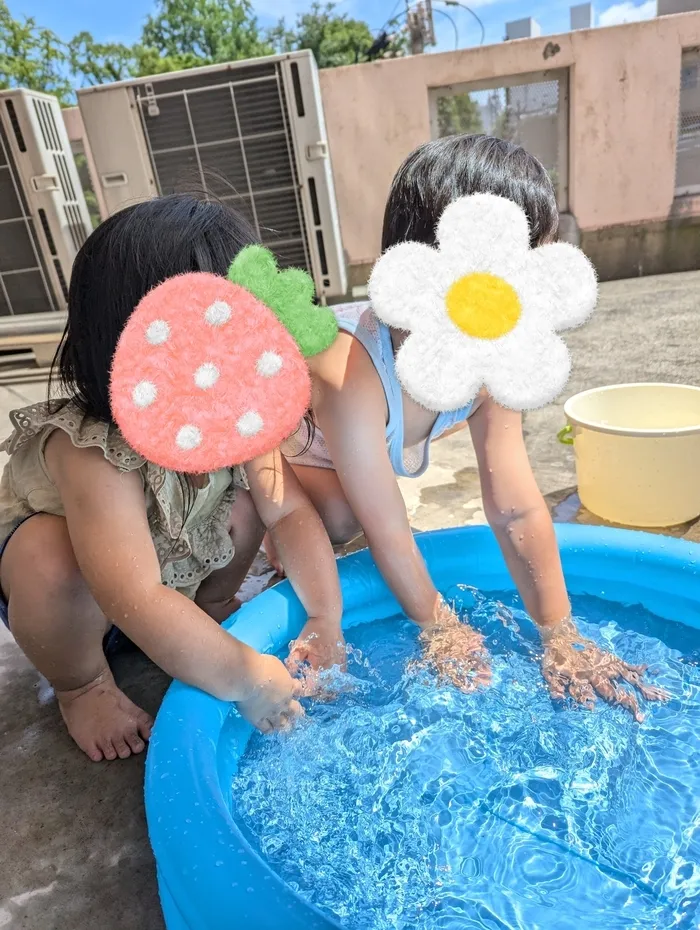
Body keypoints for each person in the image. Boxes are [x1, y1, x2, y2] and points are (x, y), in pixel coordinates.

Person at [279, 135, 666, 721]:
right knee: (342, 521)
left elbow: (515, 505)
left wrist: (560, 632)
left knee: (353, 515)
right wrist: (438, 623)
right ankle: (263, 549)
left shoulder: (494, 357)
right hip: (288, 451)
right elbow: (388, 529)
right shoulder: (347, 368)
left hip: (358, 453)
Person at [0, 195, 343, 763]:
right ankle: (82, 685)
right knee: (49, 560)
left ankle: (209, 607)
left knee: (250, 503)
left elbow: (290, 512)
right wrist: (242, 677)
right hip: (90, 601)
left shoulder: (235, 416)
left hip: (174, 572)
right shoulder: (93, 449)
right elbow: (129, 591)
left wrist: (324, 615)